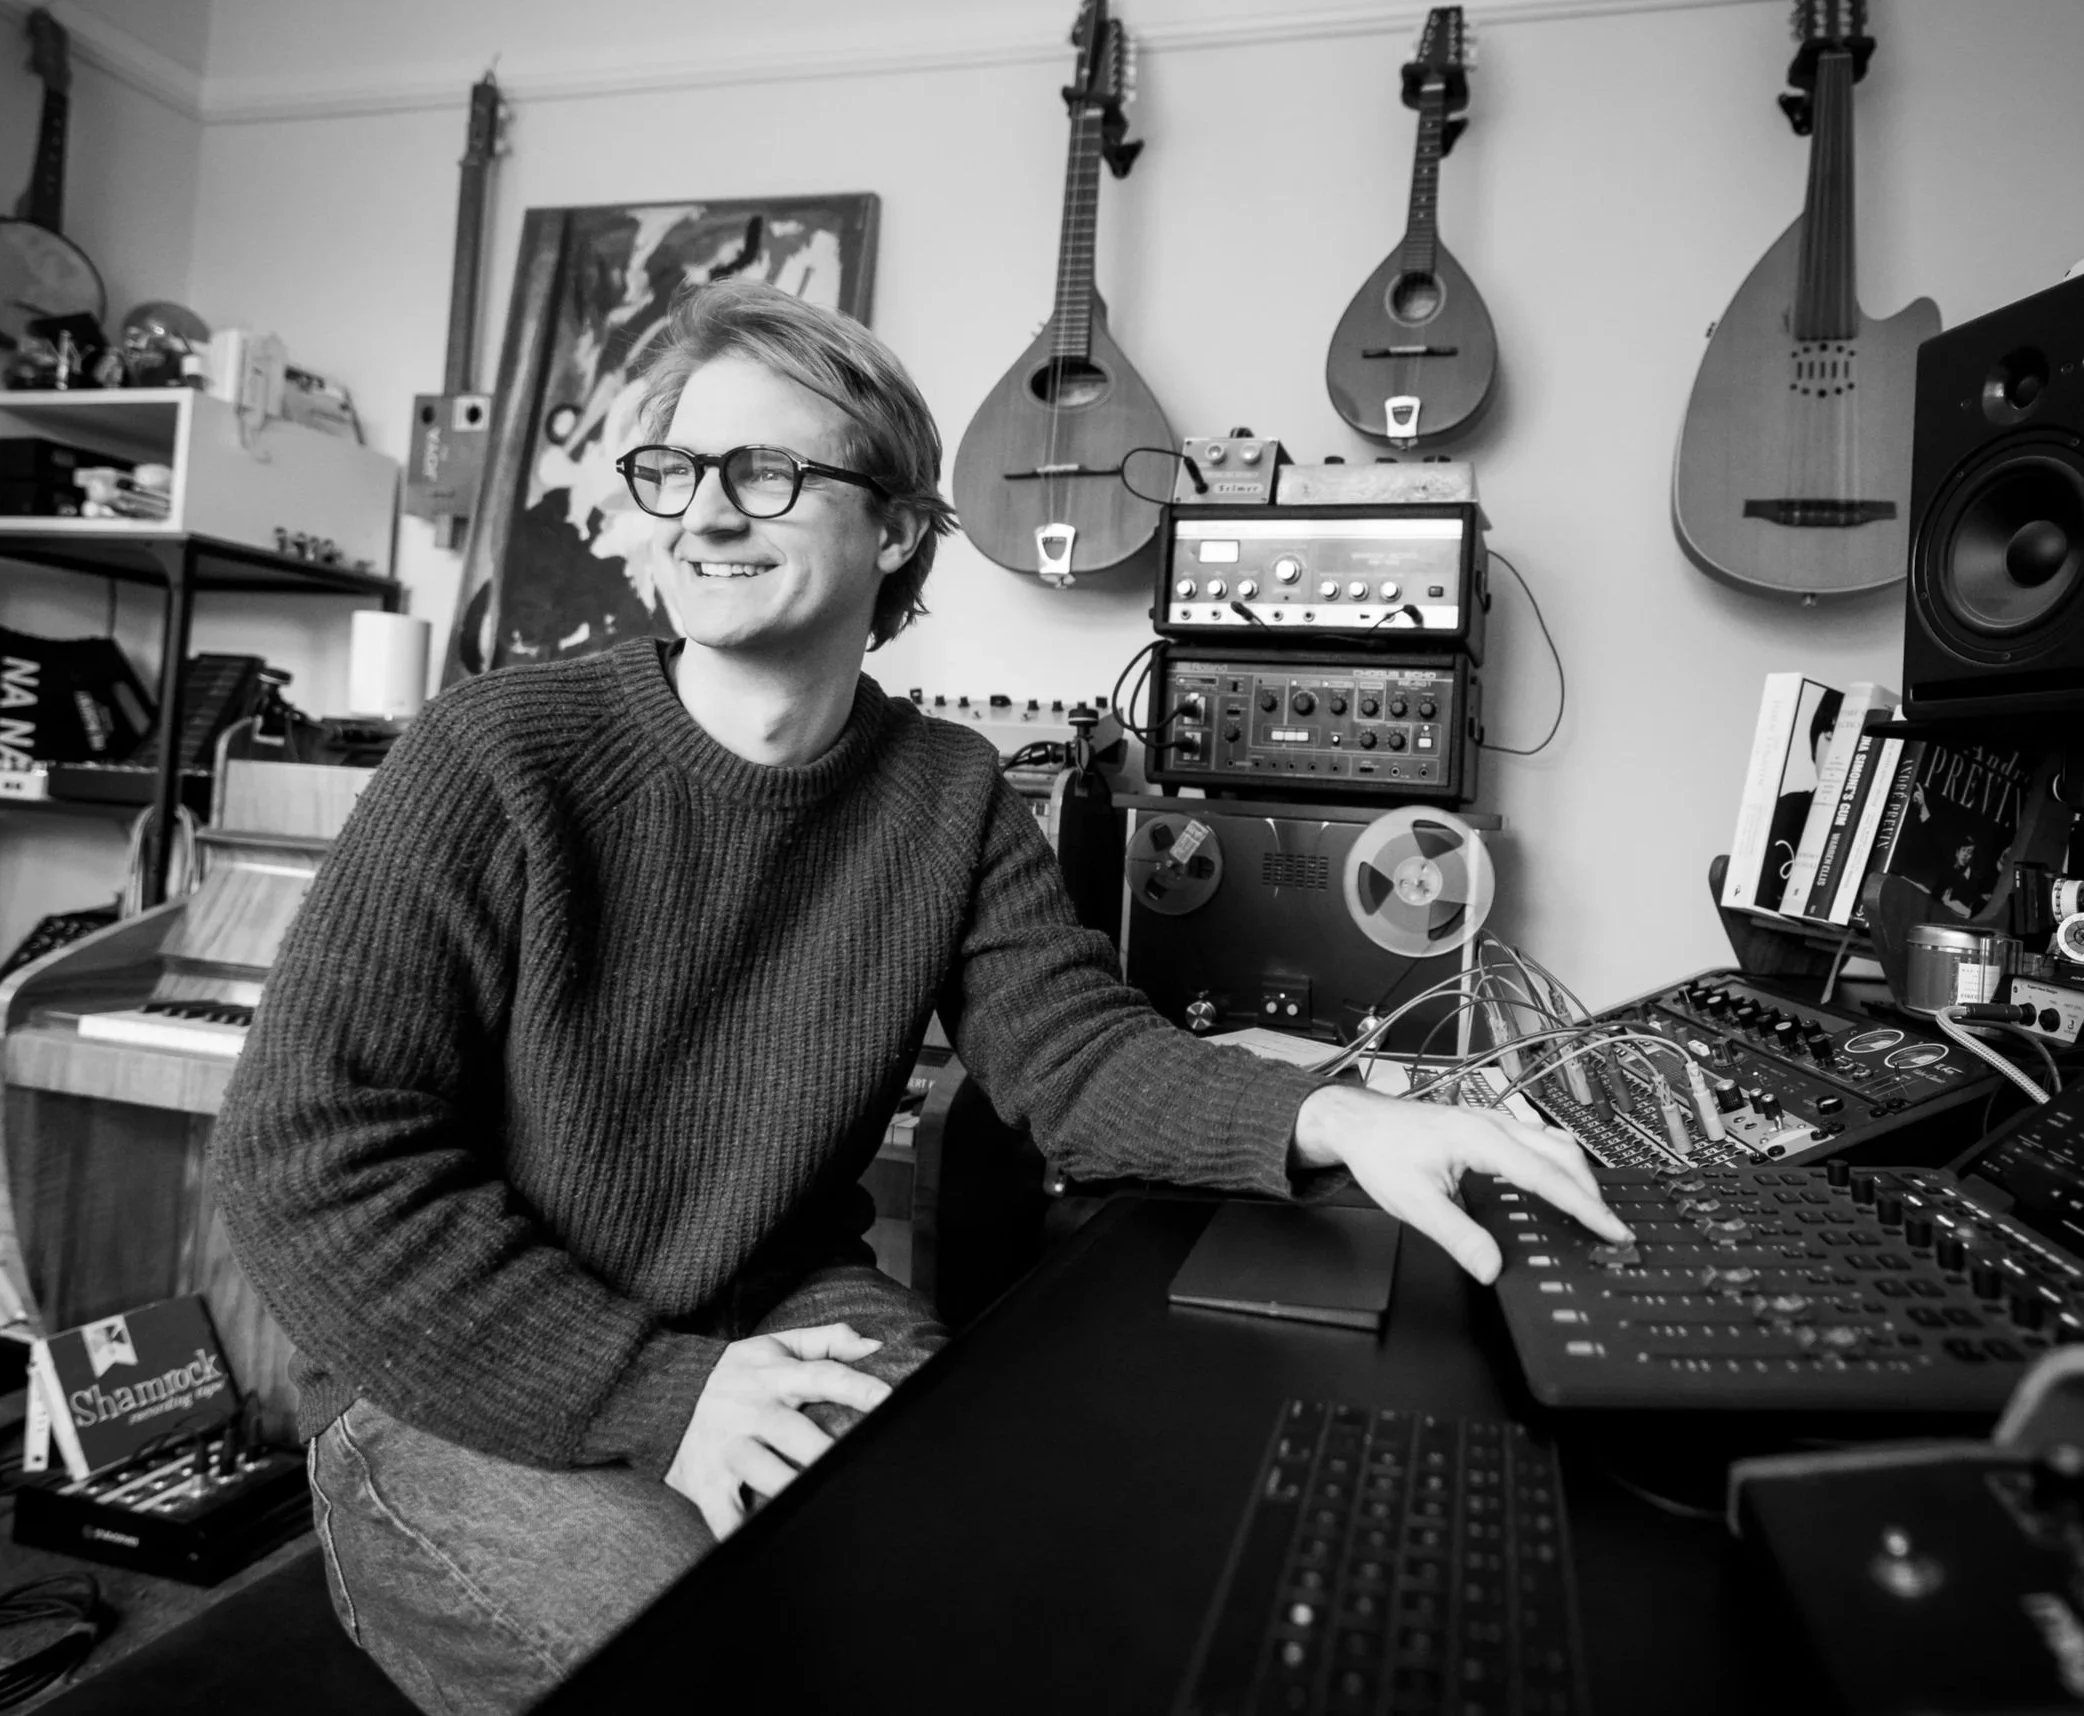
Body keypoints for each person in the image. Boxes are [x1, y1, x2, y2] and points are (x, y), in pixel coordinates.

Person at [211, 280, 1630, 1715]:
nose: (702, 512)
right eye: (673, 472)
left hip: (782, 1314)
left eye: (765, 471)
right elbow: (304, 1157)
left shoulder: (946, 795)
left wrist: (1342, 1118)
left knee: (1020, 1599)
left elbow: (1076, 1060)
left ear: (895, 526)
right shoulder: (495, 753)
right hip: (465, 1378)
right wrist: (665, 1392)